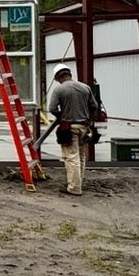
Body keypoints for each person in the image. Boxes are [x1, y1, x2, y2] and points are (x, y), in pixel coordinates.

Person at [44, 64, 98, 195]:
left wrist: (62, 117)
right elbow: (94, 106)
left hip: (70, 128)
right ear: (69, 74)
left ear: (58, 77)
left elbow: (52, 108)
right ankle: (77, 183)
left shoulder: (60, 90)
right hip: (84, 127)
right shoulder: (85, 88)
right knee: (81, 156)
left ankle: (74, 188)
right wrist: (89, 120)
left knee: (71, 157)